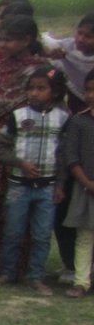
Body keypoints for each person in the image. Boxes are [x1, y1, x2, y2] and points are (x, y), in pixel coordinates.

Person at [0, 65, 70, 293]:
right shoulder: (18, 116)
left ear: (55, 92)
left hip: (47, 187)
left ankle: (36, 276)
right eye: (31, 88)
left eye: (41, 88)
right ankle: (8, 272)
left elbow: (63, 155)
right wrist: (20, 163)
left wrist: (60, 184)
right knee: (13, 232)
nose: (34, 93)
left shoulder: (63, 118)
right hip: (19, 185)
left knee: (42, 235)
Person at [0, 15, 46, 268]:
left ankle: (19, 260)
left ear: (26, 40)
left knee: (19, 196)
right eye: (1, 39)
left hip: (27, 138)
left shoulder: (42, 69)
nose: (2, 45)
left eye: (8, 40)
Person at [62, 69, 94, 298]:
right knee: (85, 237)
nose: (90, 95)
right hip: (86, 188)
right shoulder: (79, 121)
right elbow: (71, 157)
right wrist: (87, 183)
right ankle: (81, 282)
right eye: (88, 90)